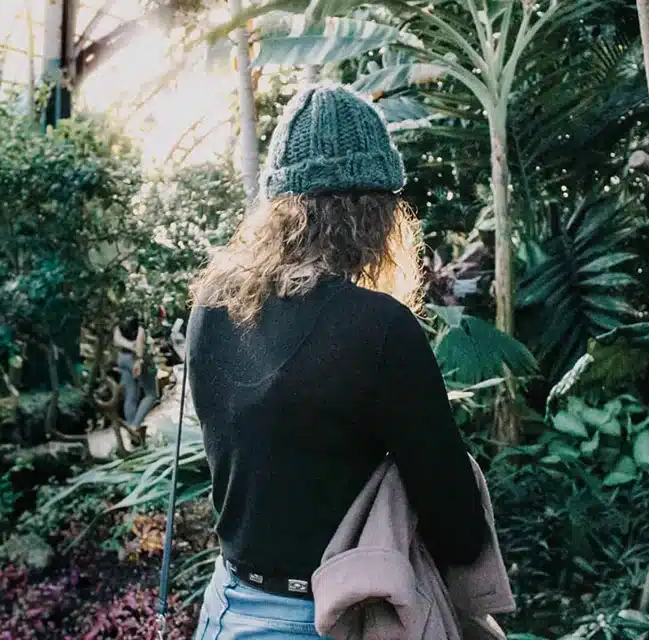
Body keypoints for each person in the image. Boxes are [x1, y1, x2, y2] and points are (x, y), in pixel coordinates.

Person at [186, 85, 487, 639]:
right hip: (329, 622)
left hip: (225, 611)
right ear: (379, 213)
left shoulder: (211, 311)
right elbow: (460, 530)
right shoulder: (380, 328)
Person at [113, 315, 159, 427]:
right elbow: (140, 339)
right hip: (137, 357)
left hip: (123, 357)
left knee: (131, 395)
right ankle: (135, 427)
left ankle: (131, 429)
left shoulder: (121, 318)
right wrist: (139, 359)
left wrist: (129, 345)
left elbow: (116, 339)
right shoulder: (140, 316)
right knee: (151, 394)